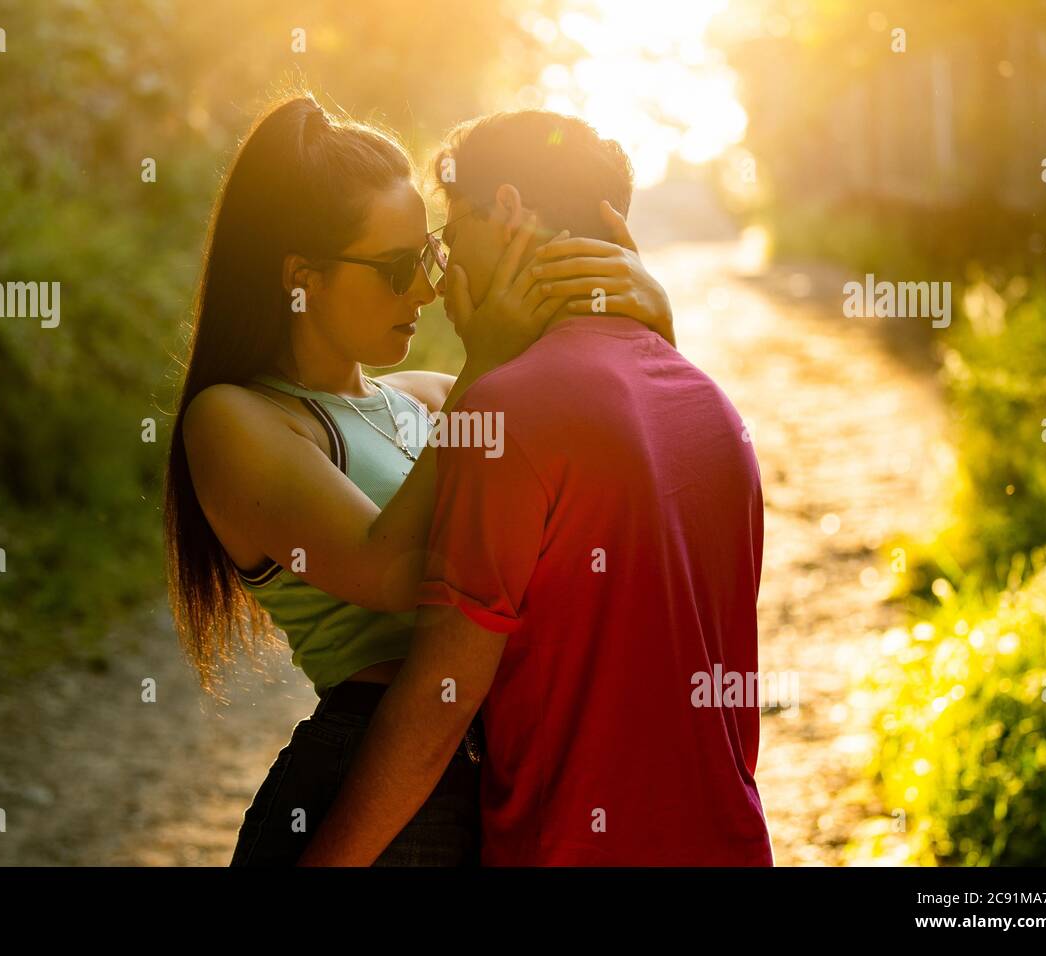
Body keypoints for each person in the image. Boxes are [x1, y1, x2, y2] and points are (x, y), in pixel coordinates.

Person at [162, 92, 677, 865]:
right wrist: (487, 364)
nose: (428, 292)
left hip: (490, 766)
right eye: (398, 269)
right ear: (304, 278)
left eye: (429, 255)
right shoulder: (236, 421)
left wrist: (649, 314)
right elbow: (398, 569)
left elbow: (625, 476)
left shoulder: (434, 397)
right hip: (372, 772)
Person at [299, 110, 775, 866]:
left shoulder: (508, 414)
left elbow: (436, 704)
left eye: (451, 239)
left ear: (510, 210)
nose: (444, 275)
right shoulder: (713, 407)